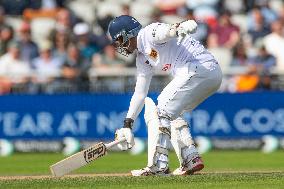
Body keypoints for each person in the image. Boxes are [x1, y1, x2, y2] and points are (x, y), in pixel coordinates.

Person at [108, 15, 222, 176]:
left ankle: (159, 166)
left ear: (128, 34)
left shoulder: (148, 33)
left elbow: (167, 31)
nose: (119, 45)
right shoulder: (142, 57)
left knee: (161, 108)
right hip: (209, 74)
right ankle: (190, 158)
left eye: (119, 40)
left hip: (199, 68)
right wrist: (127, 124)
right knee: (172, 112)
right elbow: (140, 93)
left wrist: (181, 27)